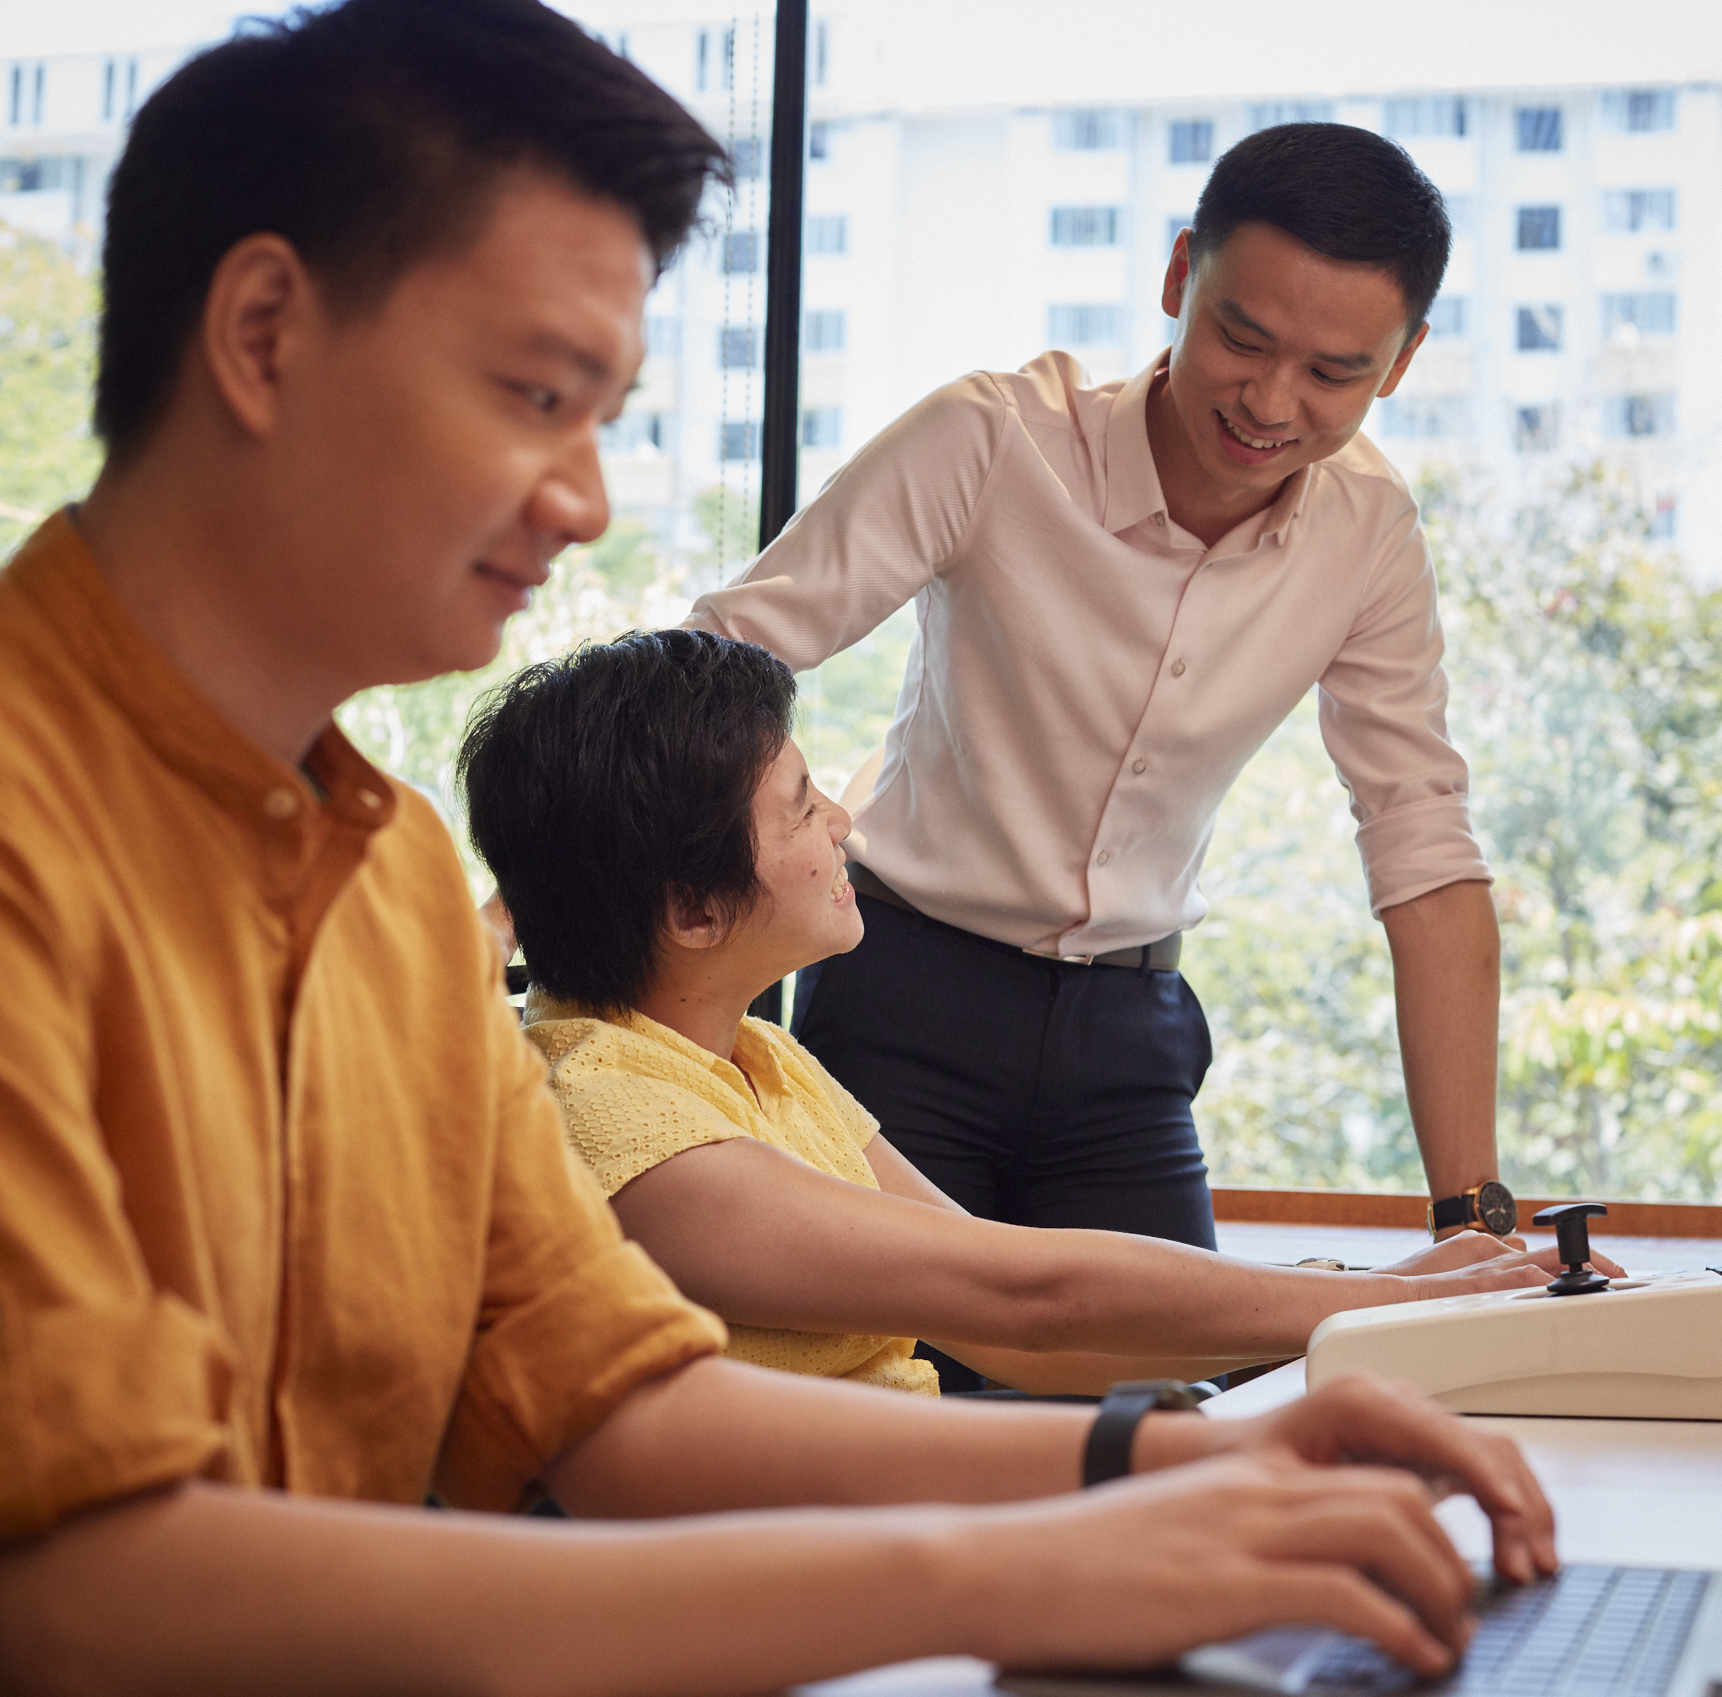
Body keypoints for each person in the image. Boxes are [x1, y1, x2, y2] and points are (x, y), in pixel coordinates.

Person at [0, 5, 1560, 1690]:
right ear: (261, 333)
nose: (587, 497)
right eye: (538, 393)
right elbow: (76, 1579)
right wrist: (1010, 1569)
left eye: (605, 413)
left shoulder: (388, 898)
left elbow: (625, 1405)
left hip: (1121, 1018)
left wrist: (1169, 1464)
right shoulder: (42, 836)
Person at [682, 125, 1517, 1381]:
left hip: (1129, 1038)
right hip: (905, 1001)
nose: (1272, 402)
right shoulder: (994, 439)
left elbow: (1422, 846)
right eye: (1242, 335)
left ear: (1401, 365)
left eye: (1335, 371)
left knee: (1173, 1412)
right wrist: (538, 914)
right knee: (890, 1411)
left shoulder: (1370, 533)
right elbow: (720, 658)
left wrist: (1474, 1224)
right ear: (1180, 274)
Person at [459, 629, 1609, 1399]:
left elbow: (1006, 1325)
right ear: (694, 910)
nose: (842, 831)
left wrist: (1399, 1297)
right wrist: (1406, 1297)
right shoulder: (612, 1117)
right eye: (803, 809)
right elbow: (1024, 1290)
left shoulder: (751, 1051)